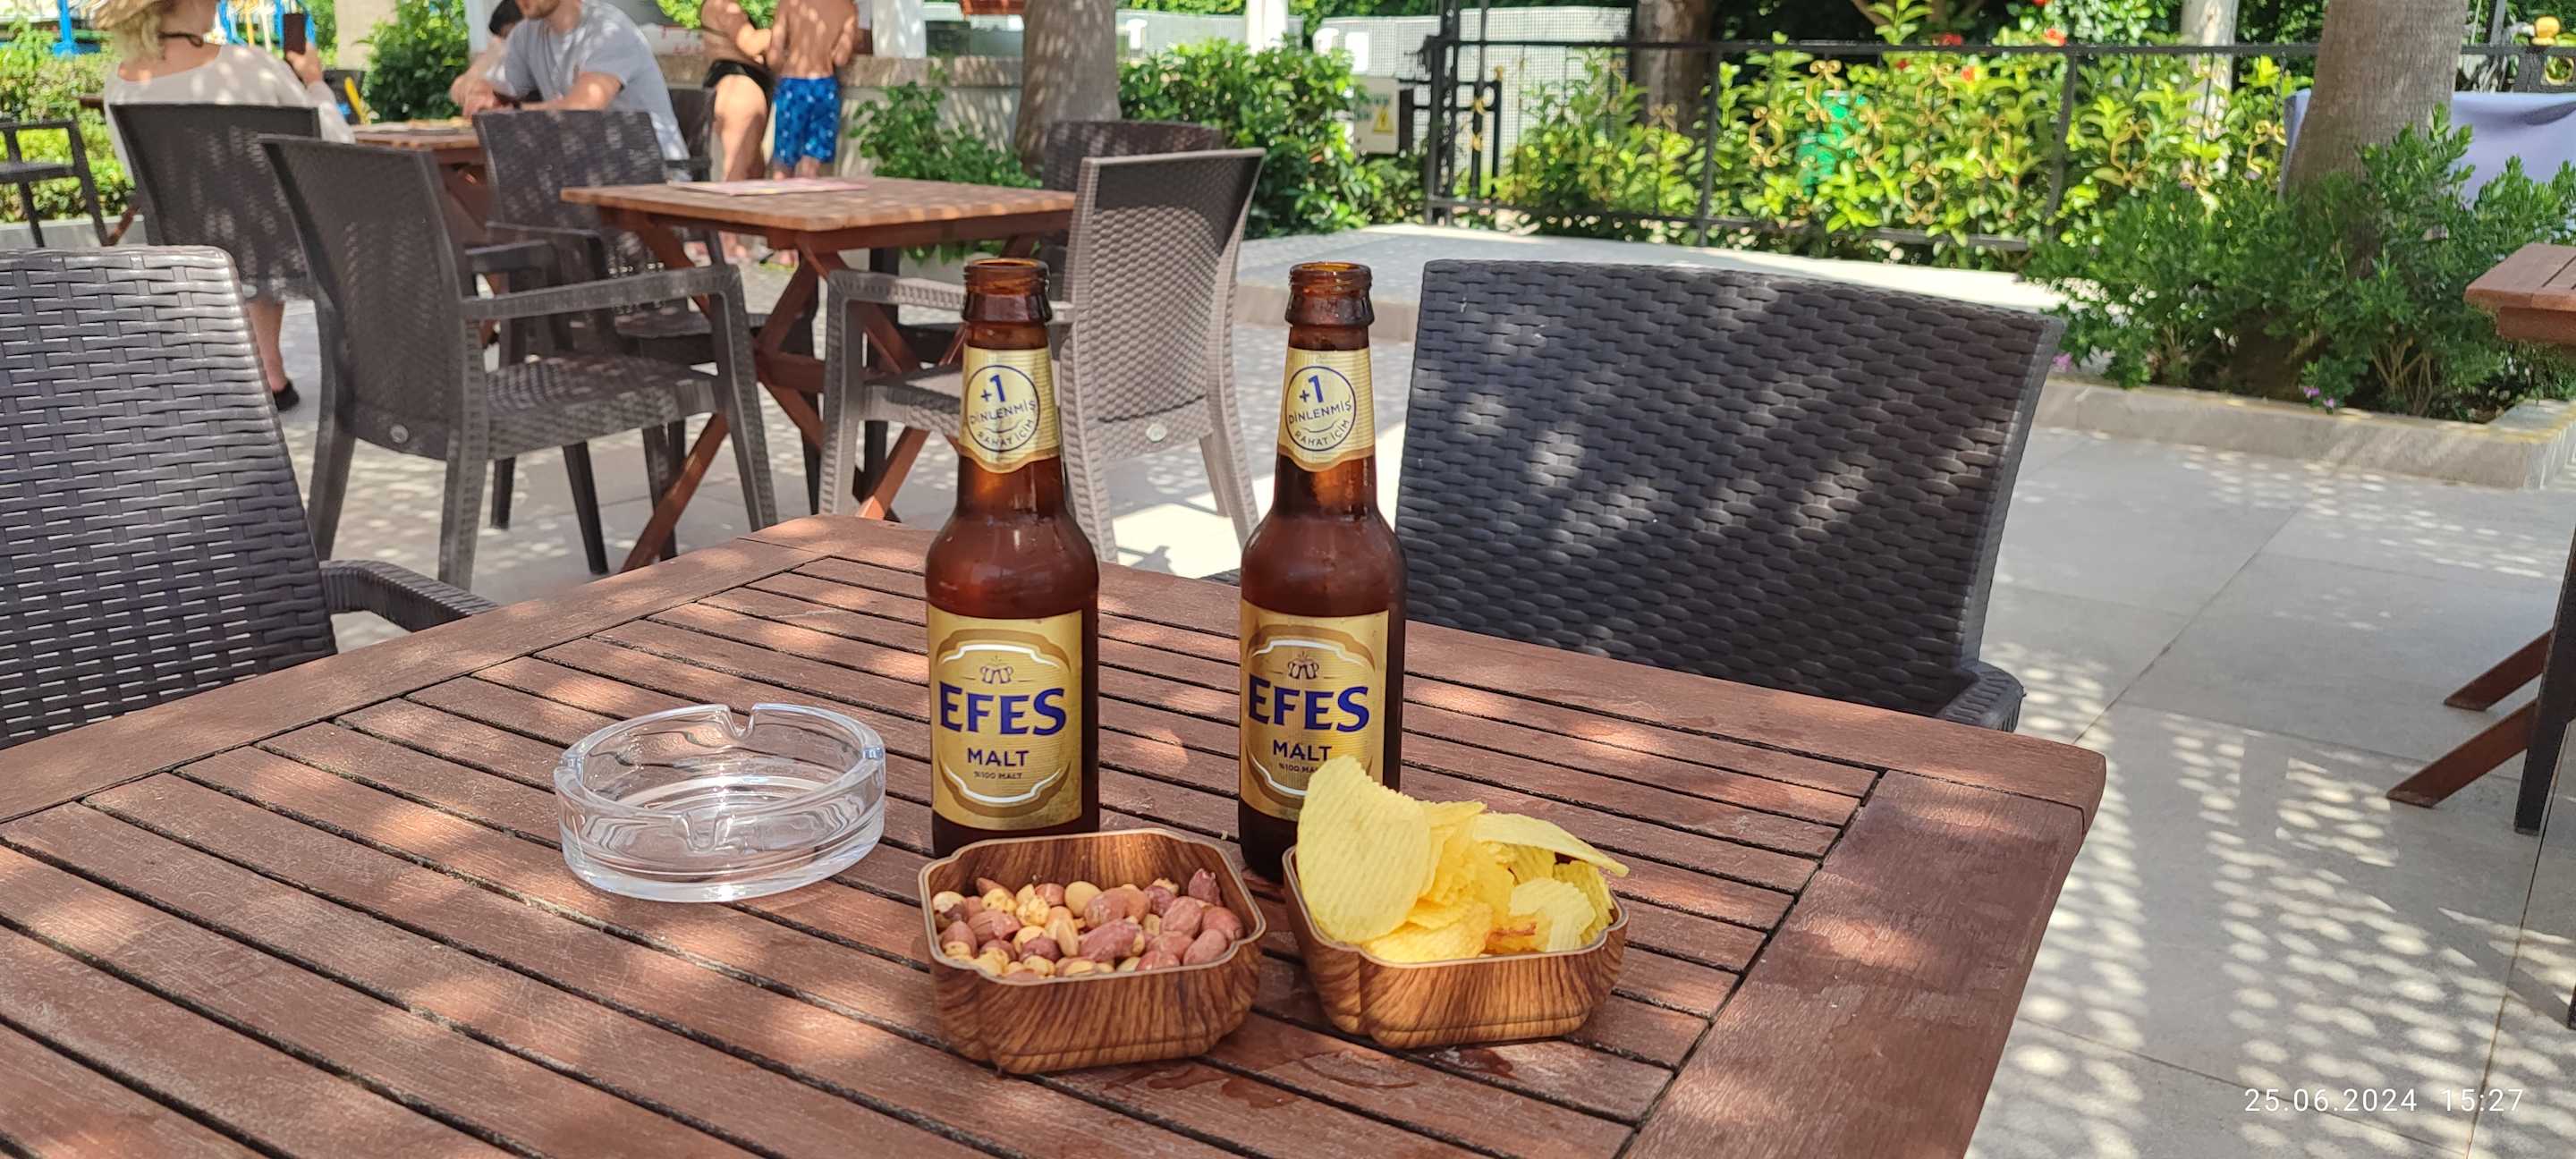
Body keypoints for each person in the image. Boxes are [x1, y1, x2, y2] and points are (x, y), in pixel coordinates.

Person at [91, 0, 353, 411]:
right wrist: (314, 81)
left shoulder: (120, 82)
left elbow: (135, 172)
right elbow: (336, 146)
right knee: (262, 208)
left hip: (184, 244)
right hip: (273, 242)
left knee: (244, 212)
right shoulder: (252, 64)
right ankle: (269, 369)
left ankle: (224, 368)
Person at [456, 0, 688, 165]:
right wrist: (482, 94)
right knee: (473, 182)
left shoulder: (608, 30)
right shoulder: (525, 34)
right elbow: (495, 88)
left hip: (651, 167)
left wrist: (513, 112)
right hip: (587, 166)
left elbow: (580, 110)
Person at [696, 0, 769, 258]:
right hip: (741, 83)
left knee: (753, 166)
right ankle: (727, 240)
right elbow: (750, 43)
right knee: (736, 169)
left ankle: (743, 239)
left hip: (726, 80)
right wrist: (786, 26)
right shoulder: (727, 5)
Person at [762, 0, 859, 178]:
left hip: (793, 86)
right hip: (824, 87)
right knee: (811, 166)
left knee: (783, 163)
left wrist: (786, 65)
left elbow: (773, 57)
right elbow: (841, 59)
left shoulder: (789, 3)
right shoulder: (847, 7)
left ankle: (780, 196)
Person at [448, 0, 524, 115]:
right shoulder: (502, 52)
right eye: (505, 39)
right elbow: (459, 88)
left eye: (511, 37)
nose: (510, 44)